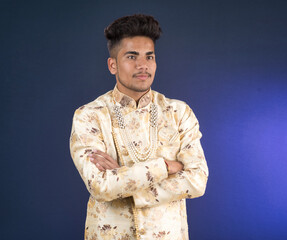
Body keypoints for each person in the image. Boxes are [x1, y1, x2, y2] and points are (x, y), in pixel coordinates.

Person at [69, 14, 209, 240]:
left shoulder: (178, 113)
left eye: (149, 57)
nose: (143, 65)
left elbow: (197, 180)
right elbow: (100, 185)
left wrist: (122, 180)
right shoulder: (90, 115)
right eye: (131, 56)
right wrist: (166, 166)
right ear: (112, 65)